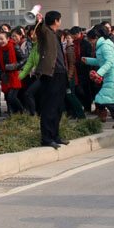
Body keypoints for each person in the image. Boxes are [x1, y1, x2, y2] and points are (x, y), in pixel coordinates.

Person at [32, 11, 70, 149]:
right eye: (60, 20)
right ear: (56, 21)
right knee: (49, 107)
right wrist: (39, 20)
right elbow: (40, 30)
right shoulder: (46, 31)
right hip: (50, 74)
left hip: (60, 74)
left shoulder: (56, 34)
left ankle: (55, 135)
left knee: (58, 107)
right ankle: (47, 138)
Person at [82, 25, 114, 128]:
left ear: (96, 38)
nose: (91, 43)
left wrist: (99, 73)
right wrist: (88, 60)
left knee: (103, 99)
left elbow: (109, 62)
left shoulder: (104, 46)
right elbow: (101, 61)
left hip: (113, 75)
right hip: (110, 75)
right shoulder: (103, 45)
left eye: (91, 40)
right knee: (113, 99)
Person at [0, 30, 25, 115]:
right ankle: (11, 114)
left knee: (12, 96)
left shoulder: (14, 46)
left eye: (2, 39)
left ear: (8, 39)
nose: (0, 41)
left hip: (15, 74)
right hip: (5, 76)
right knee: (7, 97)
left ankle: (23, 111)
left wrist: (14, 66)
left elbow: (24, 59)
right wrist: (1, 73)